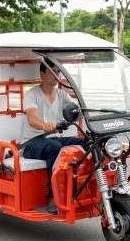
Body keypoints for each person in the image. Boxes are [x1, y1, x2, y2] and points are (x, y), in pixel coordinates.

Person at [21, 59, 86, 214]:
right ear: (42, 74)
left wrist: (81, 117)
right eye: (52, 72)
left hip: (52, 139)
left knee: (87, 143)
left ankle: (82, 187)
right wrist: (45, 125)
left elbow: (76, 111)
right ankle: (53, 197)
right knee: (55, 147)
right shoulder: (32, 94)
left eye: (58, 72)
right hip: (31, 143)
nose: (56, 76)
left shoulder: (62, 94)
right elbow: (32, 119)